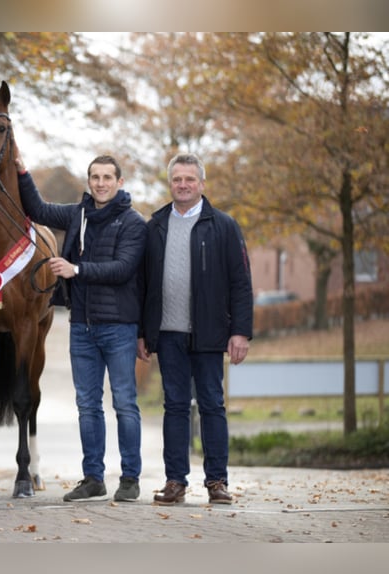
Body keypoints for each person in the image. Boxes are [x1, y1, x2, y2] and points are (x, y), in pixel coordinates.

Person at [15, 152, 147, 503]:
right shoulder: (78, 215)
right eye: (94, 177)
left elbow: (122, 269)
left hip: (118, 328)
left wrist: (77, 269)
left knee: (124, 404)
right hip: (82, 329)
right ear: (88, 182)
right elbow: (38, 210)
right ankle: (93, 478)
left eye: (107, 177)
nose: (100, 183)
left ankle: (131, 478)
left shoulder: (134, 224)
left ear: (119, 183)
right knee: (88, 406)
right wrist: (23, 170)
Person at [137, 152, 253, 506]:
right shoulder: (154, 226)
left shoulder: (224, 226)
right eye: (177, 179)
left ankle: (217, 481)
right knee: (174, 406)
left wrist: (241, 332)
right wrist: (144, 332)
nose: (183, 185)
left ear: (202, 184)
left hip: (209, 334)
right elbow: (143, 285)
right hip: (168, 335)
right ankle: (175, 482)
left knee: (212, 405)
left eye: (190, 179)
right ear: (170, 183)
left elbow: (241, 282)